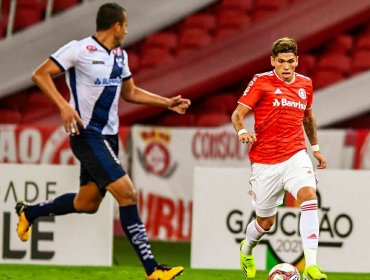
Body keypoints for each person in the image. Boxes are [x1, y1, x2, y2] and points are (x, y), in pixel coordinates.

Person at [15, 3, 190, 280]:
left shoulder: (121, 56)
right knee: (128, 194)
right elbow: (40, 74)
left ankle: (30, 212)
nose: (128, 29)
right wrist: (63, 106)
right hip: (85, 134)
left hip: (109, 137)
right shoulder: (79, 49)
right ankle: (153, 270)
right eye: (126, 24)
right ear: (116, 26)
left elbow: (130, 93)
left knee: (87, 203)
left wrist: (166, 102)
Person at [231, 37, 327, 280]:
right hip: (265, 161)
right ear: (272, 61)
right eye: (281, 61)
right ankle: (247, 248)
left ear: (297, 61)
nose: (286, 66)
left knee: (309, 196)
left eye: (290, 61)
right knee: (265, 222)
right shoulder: (261, 81)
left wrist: (314, 148)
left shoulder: (305, 84)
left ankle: (312, 266)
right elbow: (238, 114)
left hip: (296, 154)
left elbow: (308, 118)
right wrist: (242, 132)